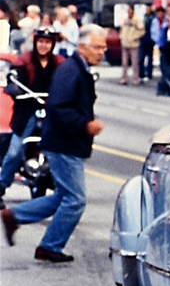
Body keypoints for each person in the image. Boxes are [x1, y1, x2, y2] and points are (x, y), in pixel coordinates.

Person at [2, 25, 106, 262]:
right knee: (76, 200)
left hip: (66, 142)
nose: (101, 52)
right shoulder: (71, 71)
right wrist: (85, 125)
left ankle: (14, 216)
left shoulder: (76, 68)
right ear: (82, 47)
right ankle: (49, 246)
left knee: (63, 197)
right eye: (97, 47)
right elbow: (58, 108)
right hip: (63, 144)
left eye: (103, 47)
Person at [1, 28, 61, 199]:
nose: (44, 46)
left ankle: (60, 188)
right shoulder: (24, 61)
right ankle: (2, 185)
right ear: (35, 42)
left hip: (51, 111)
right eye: (41, 41)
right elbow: (13, 78)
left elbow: (67, 82)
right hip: (27, 111)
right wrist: (14, 86)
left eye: (48, 42)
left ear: (53, 44)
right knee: (15, 150)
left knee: (61, 149)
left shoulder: (60, 64)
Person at [119, 7, 144, 85]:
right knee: (124, 62)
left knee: (134, 62)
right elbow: (122, 29)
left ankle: (136, 78)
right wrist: (122, 37)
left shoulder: (137, 20)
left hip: (134, 44)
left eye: (129, 11)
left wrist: (134, 37)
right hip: (125, 43)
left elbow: (142, 30)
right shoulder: (125, 20)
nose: (128, 12)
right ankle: (124, 78)